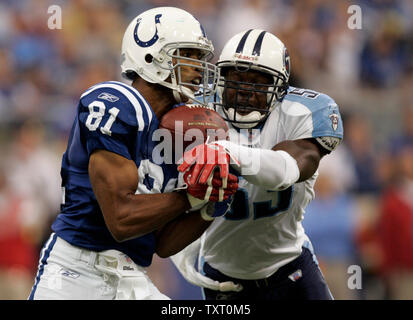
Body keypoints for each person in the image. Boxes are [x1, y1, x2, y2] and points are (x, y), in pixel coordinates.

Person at [28, 7, 237, 300]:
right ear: (150, 55)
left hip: (133, 276)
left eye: (201, 58)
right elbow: (121, 220)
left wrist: (212, 202)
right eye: (188, 55)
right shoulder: (116, 103)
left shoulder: (183, 129)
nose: (199, 68)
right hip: (76, 272)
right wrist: (191, 194)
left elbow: (162, 245)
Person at [173, 29, 344, 300]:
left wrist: (224, 151)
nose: (244, 92)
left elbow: (287, 170)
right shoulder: (193, 114)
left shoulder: (302, 114)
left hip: (290, 265)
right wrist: (183, 248)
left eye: (257, 83)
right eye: (236, 81)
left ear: (280, 89)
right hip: (223, 276)